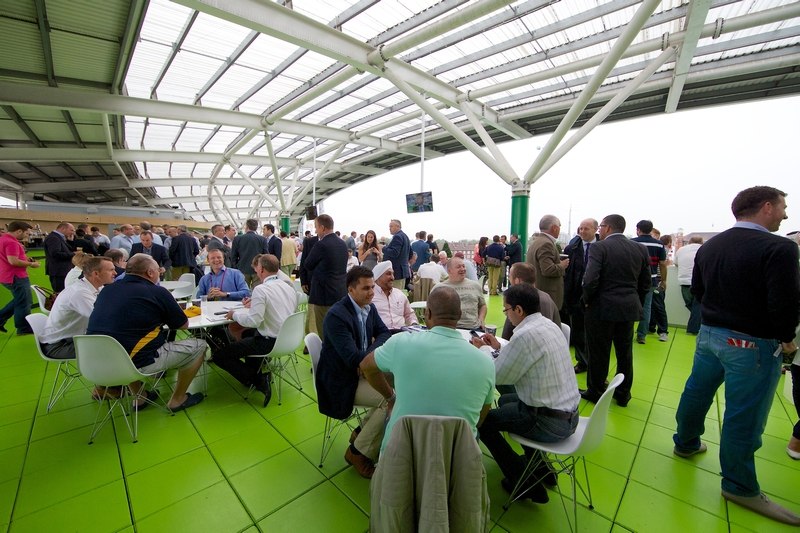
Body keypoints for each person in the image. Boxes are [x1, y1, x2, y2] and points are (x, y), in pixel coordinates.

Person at [672, 186, 800, 525]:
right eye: (783, 208)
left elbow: (698, 290)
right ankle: (739, 486)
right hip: (752, 343)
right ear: (767, 208)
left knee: (696, 392)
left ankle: (685, 442)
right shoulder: (780, 248)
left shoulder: (709, 246)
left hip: (710, 335)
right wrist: (786, 339)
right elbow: (784, 301)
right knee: (744, 414)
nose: (786, 215)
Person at [471, 284, 580, 504]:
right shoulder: (547, 325)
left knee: (483, 422)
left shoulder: (525, 336)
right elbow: (525, 360)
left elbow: (497, 375)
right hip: (570, 415)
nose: (507, 315)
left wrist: (481, 350)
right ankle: (540, 467)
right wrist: (498, 349)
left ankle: (525, 481)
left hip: (548, 422)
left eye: (506, 310)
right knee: (508, 399)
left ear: (519, 310)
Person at [360, 286, 495, 455]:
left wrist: (390, 397)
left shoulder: (400, 344)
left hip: (400, 453)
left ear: (427, 314)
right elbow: (481, 416)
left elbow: (366, 366)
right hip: (456, 456)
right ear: (459, 315)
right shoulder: (486, 363)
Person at [87, 255, 206, 412]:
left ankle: (140, 396)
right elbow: (183, 325)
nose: (159, 273)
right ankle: (178, 400)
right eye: (158, 270)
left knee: (125, 342)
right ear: (150, 272)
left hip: (95, 362)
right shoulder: (157, 292)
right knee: (200, 345)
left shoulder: (107, 290)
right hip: (134, 363)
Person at [315, 266, 391, 478]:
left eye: (372, 287)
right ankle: (357, 453)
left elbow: (384, 333)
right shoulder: (336, 316)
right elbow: (351, 359)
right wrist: (366, 359)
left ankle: (360, 432)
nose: (371, 292)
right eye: (366, 288)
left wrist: (367, 356)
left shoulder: (369, 308)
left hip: (360, 371)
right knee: (391, 398)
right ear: (351, 289)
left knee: (400, 383)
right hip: (340, 381)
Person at [581, 214, 651, 407]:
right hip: (628, 308)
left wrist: (587, 301)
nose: (599, 230)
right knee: (625, 352)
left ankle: (596, 390)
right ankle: (623, 393)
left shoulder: (599, 247)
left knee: (598, 352)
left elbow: (590, 280)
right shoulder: (640, 249)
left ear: (608, 228)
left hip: (601, 309)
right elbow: (645, 283)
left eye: (601, 227)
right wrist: (635, 301)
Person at [212, 254, 296, 406]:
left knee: (219, 356)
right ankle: (252, 373)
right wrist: (256, 305)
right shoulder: (288, 286)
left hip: (269, 342)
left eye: (257, 268)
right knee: (247, 334)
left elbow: (253, 321)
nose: (256, 271)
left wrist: (234, 314)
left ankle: (259, 379)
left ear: (262, 269)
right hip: (288, 339)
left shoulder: (261, 289)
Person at [40, 257, 116, 360]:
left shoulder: (96, 287)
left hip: (72, 339)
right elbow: (104, 319)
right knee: (119, 346)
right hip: (59, 346)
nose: (115, 273)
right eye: (111, 270)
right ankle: (120, 375)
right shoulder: (79, 293)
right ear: (96, 274)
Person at [302, 214, 348, 339]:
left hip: (323, 295)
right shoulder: (342, 243)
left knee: (324, 332)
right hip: (340, 292)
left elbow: (308, 264)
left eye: (316, 227)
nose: (315, 231)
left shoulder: (321, 245)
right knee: (338, 329)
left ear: (322, 227)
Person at [562, 218, 598, 373]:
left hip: (597, 297)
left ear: (596, 229)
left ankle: (595, 363)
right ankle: (582, 362)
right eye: (580, 228)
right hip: (576, 296)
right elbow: (567, 273)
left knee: (595, 333)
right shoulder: (572, 248)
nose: (582, 231)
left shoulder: (603, 247)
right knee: (577, 331)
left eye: (586, 229)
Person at [500, 262, 561, 341]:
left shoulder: (524, 300)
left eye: (510, 277)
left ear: (517, 281)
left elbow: (507, 336)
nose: (509, 279)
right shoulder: (546, 297)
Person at [631, 220, 668, 344]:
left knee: (629, 306)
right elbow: (662, 264)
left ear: (638, 229)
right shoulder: (659, 244)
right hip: (651, 280)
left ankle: (627, 333)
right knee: (646, 308)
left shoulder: (631, 243)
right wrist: (663, 280)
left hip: (633, 280)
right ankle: (641, 335)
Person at [0, 221, 40, 335]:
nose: (27, 235)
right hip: (16, 276)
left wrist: (25, 259)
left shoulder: (3, 239)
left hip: (7, 275)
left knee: (20, 299)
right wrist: (31, 264)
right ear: (19, 231)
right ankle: (23, 328)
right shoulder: (12, 242)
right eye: (26, 233)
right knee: (24, 302)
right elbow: (13, 261)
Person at [431, 256, 486, 330]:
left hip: (473, 328)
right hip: (448, 329)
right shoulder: (439, 288)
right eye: (458, 267)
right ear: (449, 271)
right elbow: (431, 310)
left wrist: (481, 319)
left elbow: (482, 305)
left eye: (463, 266)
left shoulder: (475, 285)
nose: (463, 269)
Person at [526, 215, 568, 309]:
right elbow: (548, 270)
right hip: (548, 295)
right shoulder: (546, 243)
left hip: (538, 292)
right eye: (559, 226)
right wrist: (562, 265)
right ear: (554, 228)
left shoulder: (537, 241)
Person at [370, 261, 416, 331]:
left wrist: (414, 324)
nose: (392, 278)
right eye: (388, 274)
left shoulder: (399, 294)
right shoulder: (370, 296)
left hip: (401, 335)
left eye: (393, 274)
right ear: (377, 277)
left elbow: (409, 314)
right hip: (380, 336)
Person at [673, 236, 703, 335]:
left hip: (684, 281)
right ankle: (693, 329)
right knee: (698, 305)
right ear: (701, 242)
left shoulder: (681, 250)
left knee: (690, 304)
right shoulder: (704, 248)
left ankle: (695, 325)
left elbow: (676, 263)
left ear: (689, 242)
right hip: (699, 282)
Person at [231, 219, 269, 287]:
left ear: (247, 226)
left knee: (243, 291)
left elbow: (233, 256)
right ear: (256, 227)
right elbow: (266, 255)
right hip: (258, 269)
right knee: (258, 291)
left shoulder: (238, 239)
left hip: (242, 269)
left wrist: (236, 267)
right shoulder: (262, 239)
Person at [43, 222, 75, 293]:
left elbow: (66, 250)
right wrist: (73, 254)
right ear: (63, 228)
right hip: (58, 271)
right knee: (60, 293)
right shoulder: (53, 238)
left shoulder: (59, 237)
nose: (73, 233)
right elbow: (55, 254)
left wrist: (70, 241)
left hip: (61, 271)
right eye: (71, 230)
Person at [382, 219, 412, 290]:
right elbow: (410, 253)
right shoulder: (405, 237)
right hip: (403, 271)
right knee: (399, 294)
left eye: (391, 226)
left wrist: (383, 248)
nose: (389, 228)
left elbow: (394, 253)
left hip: (396, 272)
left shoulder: (397, 237)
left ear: (398, 226)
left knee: (395, 295)